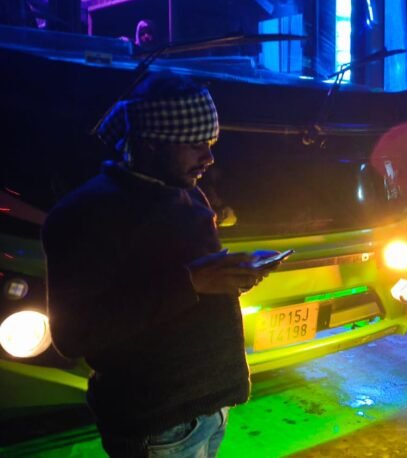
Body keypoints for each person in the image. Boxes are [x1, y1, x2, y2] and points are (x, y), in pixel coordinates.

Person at [43, 72, 279, 457]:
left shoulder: (188, 194)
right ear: (151, 142)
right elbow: (73, 335)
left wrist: (231, 275)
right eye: (195, 145)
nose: (209, 158)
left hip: (209, 409)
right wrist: (192, 282)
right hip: (156, 423)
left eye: (210, 144)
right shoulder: (86, 214)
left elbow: (192, 281)